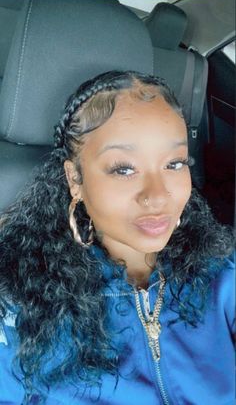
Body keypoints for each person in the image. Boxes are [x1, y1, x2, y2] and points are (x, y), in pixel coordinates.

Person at [0, 70, 234, 405]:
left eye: (175, 163)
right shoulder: (17, 299)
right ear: (75, 178)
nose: (158, 196)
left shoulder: (222, 273)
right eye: (123, 169)